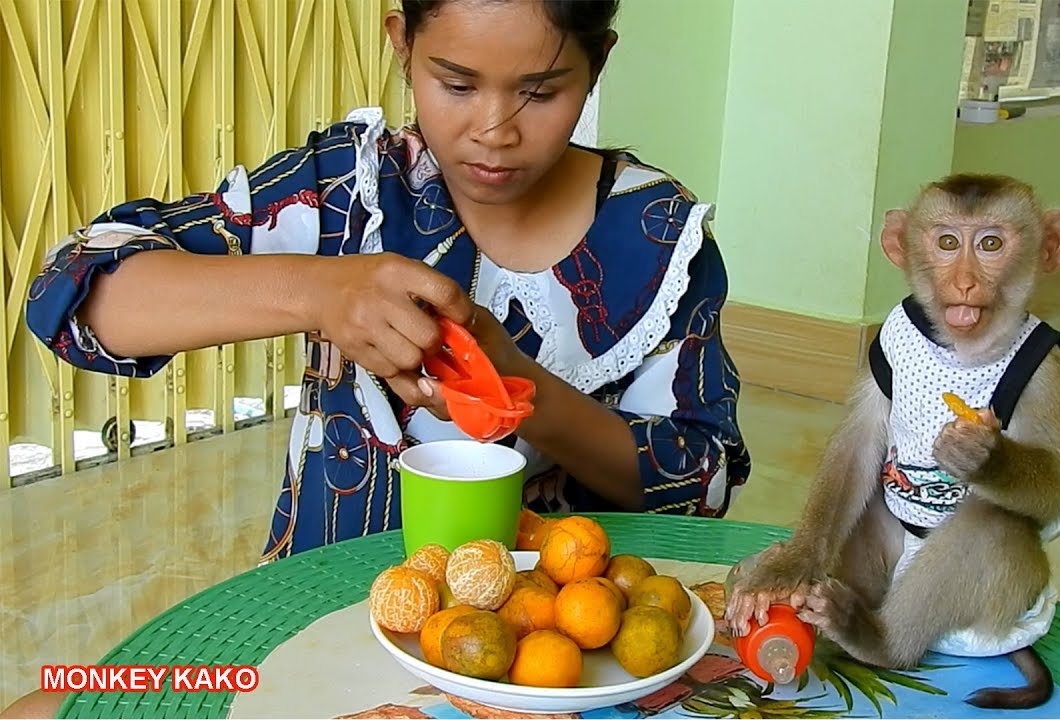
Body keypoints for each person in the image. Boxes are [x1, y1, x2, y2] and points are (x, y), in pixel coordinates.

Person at [23, 0, 751, 565]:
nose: (493, 130)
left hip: (550, 652)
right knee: (46, 701)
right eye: (456, 84)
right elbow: (74, 295)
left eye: (539, 92)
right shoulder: (349, 188)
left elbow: (698, 483)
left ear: (598, 63)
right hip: (322, 622)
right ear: (402, 45)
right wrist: (319, 291)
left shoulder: (655, 233)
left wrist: (514, 386)